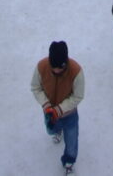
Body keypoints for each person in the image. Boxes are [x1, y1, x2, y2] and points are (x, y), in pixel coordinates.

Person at [31, 41, 85, 174]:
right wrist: (46, 105)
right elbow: (35, 87)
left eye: (60, 68)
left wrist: (60, 109)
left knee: (72, 140)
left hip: (69, 114)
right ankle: (58, 130)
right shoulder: (41, 67)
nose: (56, 71)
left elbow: (78, 96)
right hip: (49, 111)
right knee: (51, 130)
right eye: (53, 67)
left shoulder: (76, 71)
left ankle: (69, 161)